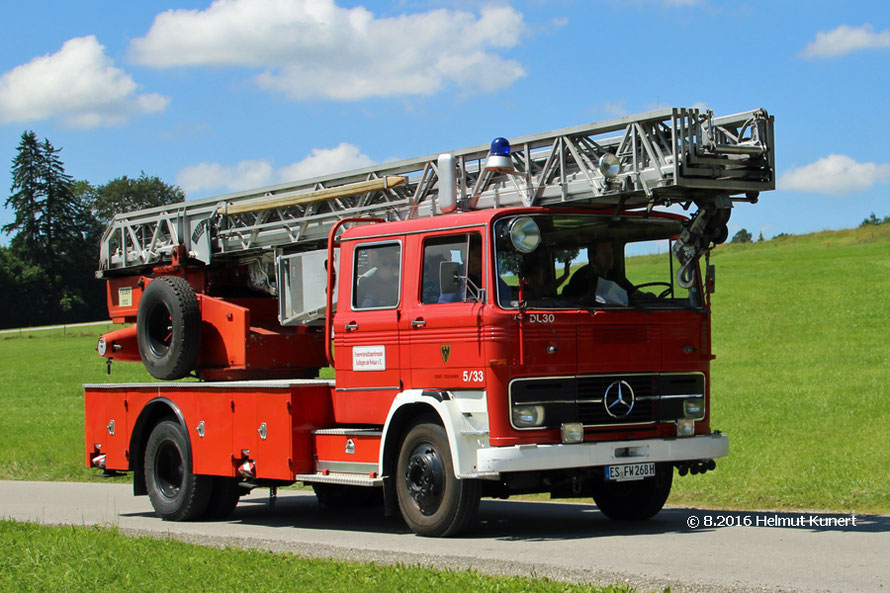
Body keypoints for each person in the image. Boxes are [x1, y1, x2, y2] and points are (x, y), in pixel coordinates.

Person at [562, 241, 638, 305]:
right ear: (592, 257)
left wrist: (647, 297)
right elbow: (572, 302)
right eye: (604, 254)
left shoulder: (614, 274)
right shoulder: (581, 276)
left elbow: (633, 293)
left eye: (611, 253)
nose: (610, 257)